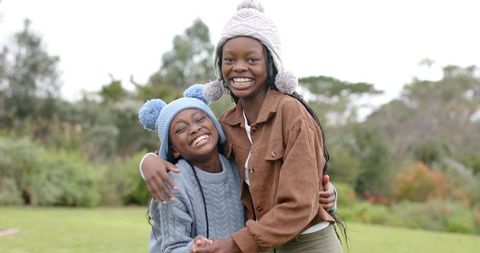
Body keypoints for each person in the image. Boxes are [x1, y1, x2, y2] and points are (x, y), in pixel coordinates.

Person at [141, 0, 344, 252]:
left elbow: (300, 204)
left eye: (251, 59)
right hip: (261, 246)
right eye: (229, 59)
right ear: (220, 67)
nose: (238, 67)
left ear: (270, 63)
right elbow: (190, 146)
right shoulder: (227, 123)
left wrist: (234, 244)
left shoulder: (292, 114)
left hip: (307, 242)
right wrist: (149, 160)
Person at [138, 89, 245, 253]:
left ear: (216, 126)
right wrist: (193, 249)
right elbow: (172, 247)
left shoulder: (238, 165)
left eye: (200, 119)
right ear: (173, 149)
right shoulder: (173, 184)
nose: (194, 129)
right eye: (180, 129)